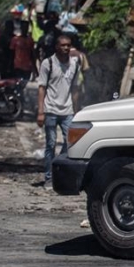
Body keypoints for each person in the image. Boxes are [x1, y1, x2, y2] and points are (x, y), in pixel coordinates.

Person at [37, 34, 81, 189]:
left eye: (68, 45)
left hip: (67, 110)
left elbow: (75, 88)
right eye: (63, 45)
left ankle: (59, 171)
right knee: (50, 144)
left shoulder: (75, 64)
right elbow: (42, 88)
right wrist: (41, 111)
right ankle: (49, 178)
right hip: (50, 110)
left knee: (70, 142)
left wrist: (76, 111)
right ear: (57, 46)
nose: (66, 48)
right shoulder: (48, 63)